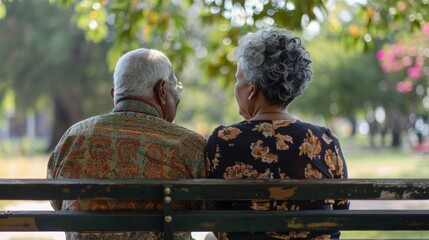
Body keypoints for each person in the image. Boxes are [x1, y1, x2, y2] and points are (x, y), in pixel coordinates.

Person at [205, 27, 349, 240]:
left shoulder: (223, 141)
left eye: (237, 80)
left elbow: (210, 211)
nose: (236, 88)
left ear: (253, 88)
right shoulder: (325, 140)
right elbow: (341, 211)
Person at [47, 48, 206, 240]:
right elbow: (207, 210)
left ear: (115, 94)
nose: (178, 96)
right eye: (176, 87)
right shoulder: (188, 146)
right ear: (162, 90)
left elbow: (56, 200)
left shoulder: (73, 138)